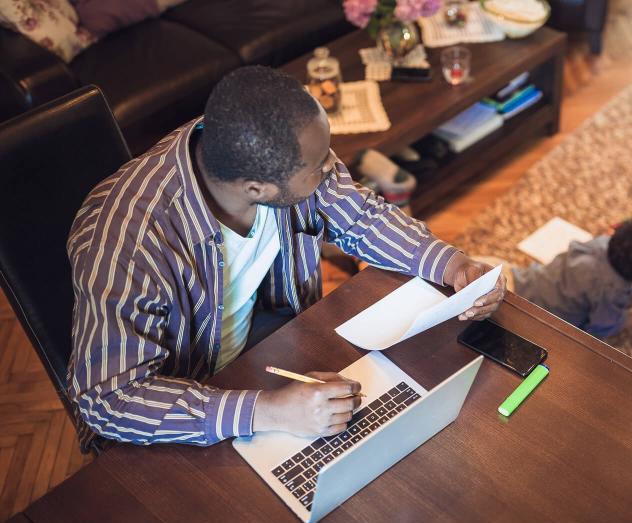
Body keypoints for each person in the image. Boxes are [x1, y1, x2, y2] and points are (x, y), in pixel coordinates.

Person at [67, 66, 506, 451]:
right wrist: (271, 411)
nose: (331, 168)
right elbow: (108, 399)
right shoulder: (127, 238)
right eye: (317, 168)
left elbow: (362, 219)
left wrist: (452, 265)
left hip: (273, 348)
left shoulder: (264, 150)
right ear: (256, 188)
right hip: (188, 405)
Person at [481, 217, 632, 338]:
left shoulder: (604, 244)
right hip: (525, 315)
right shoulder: (611, 291)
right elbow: (605, 327)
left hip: (519, 277)